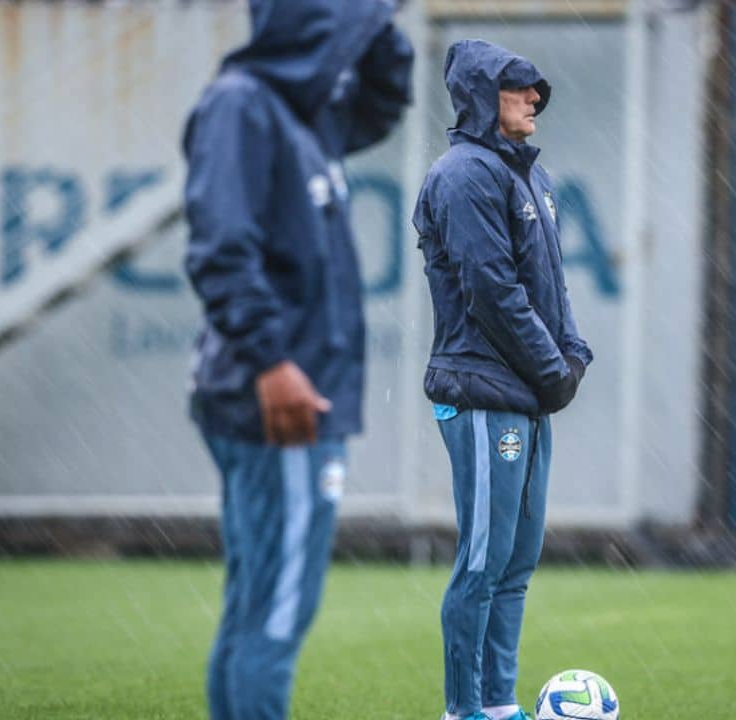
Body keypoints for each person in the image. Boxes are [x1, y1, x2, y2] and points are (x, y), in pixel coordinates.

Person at [181, 2, 412, 718]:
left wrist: (375, 23)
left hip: (294, 391)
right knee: (277, 616)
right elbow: (221, 250)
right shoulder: (241, 104)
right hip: (284, 399)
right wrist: (272, 363)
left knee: (259, 608)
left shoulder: (306, 114)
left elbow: (384, 99)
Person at [412, 39, 592, 720]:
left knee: (515, 567)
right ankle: (464, 712)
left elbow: (551, 289)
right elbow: (491, 291)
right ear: (486, 97)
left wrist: (572, 356)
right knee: (482, 563)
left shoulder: (528, 177)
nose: (535, 98)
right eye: (520, 87)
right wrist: (554, 372)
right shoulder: (463, 176)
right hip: (483, 394)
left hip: (525, 395)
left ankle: (498, 705)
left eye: (536, 88)